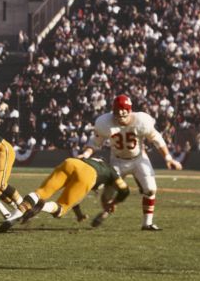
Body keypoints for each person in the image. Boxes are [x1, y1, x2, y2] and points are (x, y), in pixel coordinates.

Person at [77, 94, 181, 231]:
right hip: (117, 161)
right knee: (107, 197)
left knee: (150, 189)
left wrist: (168, 158)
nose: (120, 113)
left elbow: (157, 139)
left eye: (124, 109)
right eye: (117, 110)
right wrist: (85, 154)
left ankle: (147, 223)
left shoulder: (141, 120)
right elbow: (96, 142)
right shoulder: (105, 122)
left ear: (130, 110)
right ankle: (107, 211)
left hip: (139, 159)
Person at [16, 154, 130, 225]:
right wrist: (114, 203)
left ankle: (22, 209)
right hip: (88, 175)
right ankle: (42, 206)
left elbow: (76, 199)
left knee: (42, 192)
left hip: (72, 162)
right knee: (61, 208)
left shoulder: (92, 160)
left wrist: (79, 215)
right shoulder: (111, 171)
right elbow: (125, 191)